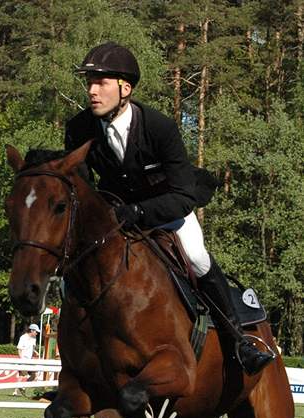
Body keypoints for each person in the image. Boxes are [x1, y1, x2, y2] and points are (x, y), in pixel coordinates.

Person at [65, 41, 274, 376]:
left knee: (196, 257)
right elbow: (82, 188)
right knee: (74, 273)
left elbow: (183, 195)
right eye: (89, 83)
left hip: (167, 212)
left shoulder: (160, 128)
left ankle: (239, 342)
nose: (92, 91)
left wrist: (138, 213)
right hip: (114, 221)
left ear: (125, 88)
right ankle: (79, 361)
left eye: (101, 83)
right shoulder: (78, 128)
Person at [13, 323, 41, 396]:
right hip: (24, 359)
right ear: (31, 330)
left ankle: (21, 388)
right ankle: (18, 390)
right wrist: (21, 360)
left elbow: (32, 348)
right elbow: (19, 349)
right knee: (23, 375)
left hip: (30, 360)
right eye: (36, 332)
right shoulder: (23, 337)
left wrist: (35, 352)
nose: (37, 333)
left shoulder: (34, 339)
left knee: (33, 376)